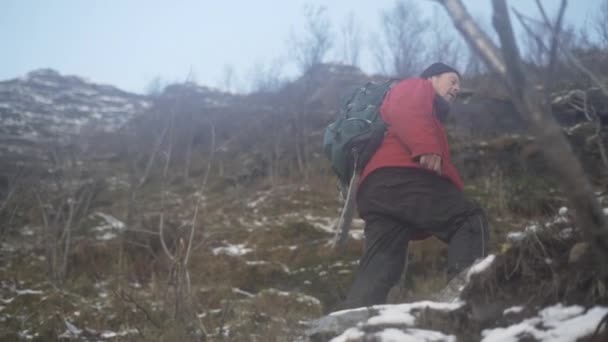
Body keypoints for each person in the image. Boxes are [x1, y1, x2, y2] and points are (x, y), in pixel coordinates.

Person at [342, 62, 489, 309]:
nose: (456, 88)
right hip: (401, 177)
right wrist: (426, 146)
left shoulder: (427, 112)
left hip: (377, 189)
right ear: (432, 77)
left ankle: (348, 326)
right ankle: (466, 299)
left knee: (381, 267)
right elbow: (404, 109)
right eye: (452, 80)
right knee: (469, 217)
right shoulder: (416, 86)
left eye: (459, 85)